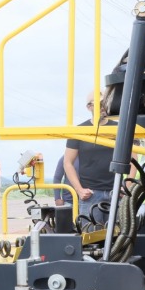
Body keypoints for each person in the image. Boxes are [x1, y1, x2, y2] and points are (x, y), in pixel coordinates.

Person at [63, 95, 117, 230]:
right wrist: (79, 189)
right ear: (89, 107)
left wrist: (126, 186)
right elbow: (67, 162)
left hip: (117, 192)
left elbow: (132, 158)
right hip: (90, 194)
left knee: (119, 239)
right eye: (99, 103)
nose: (103, 106)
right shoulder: (80, 131)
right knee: (91, 241)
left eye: (106, 103)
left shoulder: (119, 129)